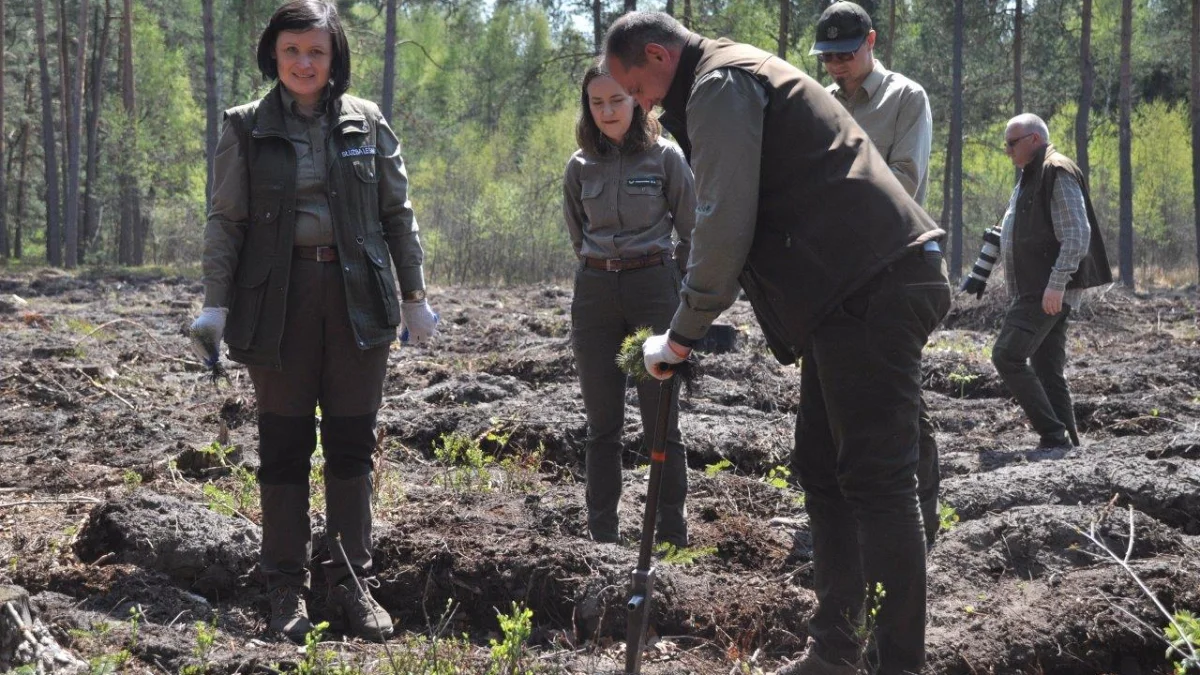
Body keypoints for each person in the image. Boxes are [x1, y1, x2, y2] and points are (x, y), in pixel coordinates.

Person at [604, 13, 950, 675]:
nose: (641, 104)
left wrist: (682, 333)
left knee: (877, 481)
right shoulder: (721, 77)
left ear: (657, 54)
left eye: (638, 88)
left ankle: (897, 665)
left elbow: (725, 220)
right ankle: (834, 652)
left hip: (871, 286)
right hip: (842, 294)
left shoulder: (719, 85)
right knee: (823, 473)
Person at [188, 0, 438, 644]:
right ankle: (284, 585)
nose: (304, 62)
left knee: (352, 444)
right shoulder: (244, 127)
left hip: (359, 300)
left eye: (317, 52)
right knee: (284, 445)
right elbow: (227, 220)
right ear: (273, 54)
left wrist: (413, 293)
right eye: (292, 50)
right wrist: (215, 302)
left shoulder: (367, 121)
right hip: (276, 303)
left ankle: (351, 581)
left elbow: (397, 214)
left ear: (335, 59)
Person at [810, 1, 943, 550]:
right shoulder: (818, 103)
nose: (836, 65)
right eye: (828, 57)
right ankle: (851, 517)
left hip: (892, 266)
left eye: (845, 53)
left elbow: (904, 181)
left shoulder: (905, 98)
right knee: (844, 394)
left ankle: (921, 516)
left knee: (898, 398)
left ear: (871, 41)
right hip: (834, 272)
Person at [563, 64, 695, 548]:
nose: (607, 111)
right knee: (603, 426)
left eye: (616, 100)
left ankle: (671, 534)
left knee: (661, 420)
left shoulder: (666, 159)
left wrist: (676, 288)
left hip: (653, 291)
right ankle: (602, 537)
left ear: (636, 101)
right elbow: (579, 234)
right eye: (597, 103)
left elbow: (691, 230)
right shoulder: (579, 166)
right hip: (596, 295)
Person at [961, 114, 1111, 449]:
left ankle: (1052, 433)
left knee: (1006, 356)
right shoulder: (1029, 176)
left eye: (1011, 143)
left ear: (1034, 140)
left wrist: (1057, 284)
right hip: (1038, 288)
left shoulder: (1055, 171)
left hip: (1044, 289)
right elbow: (1007, 231)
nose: (1007, 151)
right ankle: (1068, 445)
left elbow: (1076, 234)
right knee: (1046, 369)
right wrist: (979, 272)